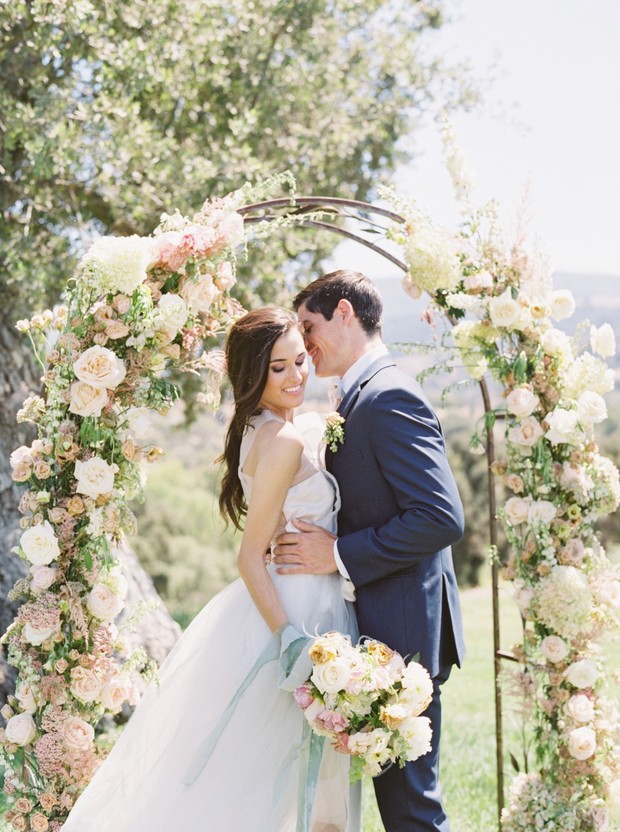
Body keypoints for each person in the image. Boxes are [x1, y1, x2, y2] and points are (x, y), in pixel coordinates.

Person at [62, 307, 360, 832]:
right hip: (292, 615)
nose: (296, 377)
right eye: (278, 369)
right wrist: (291, 641)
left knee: (280, 782)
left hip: (306, 603)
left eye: (299, 362)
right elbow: (249, 557)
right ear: (253, 375)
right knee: (288, 786)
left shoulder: (264, 426)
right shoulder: (284, 440)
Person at [273, 271, 466, 832]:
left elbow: (440, 517)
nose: (304, 343)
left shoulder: (387, 395)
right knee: (402, 805)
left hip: (404, 632)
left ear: (345, 313)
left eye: (309, 326)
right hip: (383, 625)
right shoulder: (359, 394)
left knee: (411, 810)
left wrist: (338, 554)